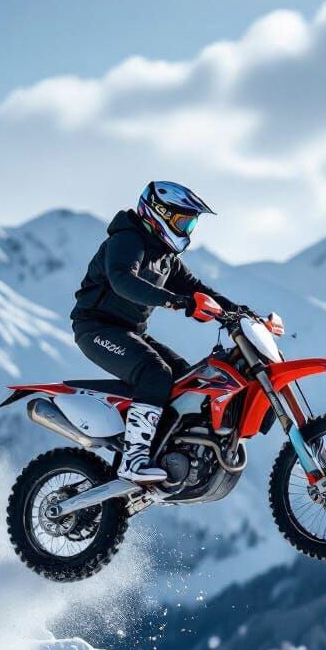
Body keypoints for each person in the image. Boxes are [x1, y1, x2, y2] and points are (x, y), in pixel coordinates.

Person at [71, 181, 247, 483]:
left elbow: (199, 289)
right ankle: (134, 459)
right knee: (156, 374)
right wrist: (176, 302)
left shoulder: (166, 258)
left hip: (130, 331)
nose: (188, 229)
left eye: (191, 223)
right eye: (184, 221)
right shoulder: (127, 240)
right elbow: (122, 280)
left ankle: (167, 452)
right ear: (159, 213)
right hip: (96, 327)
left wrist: (242, 314)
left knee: (187, 378)